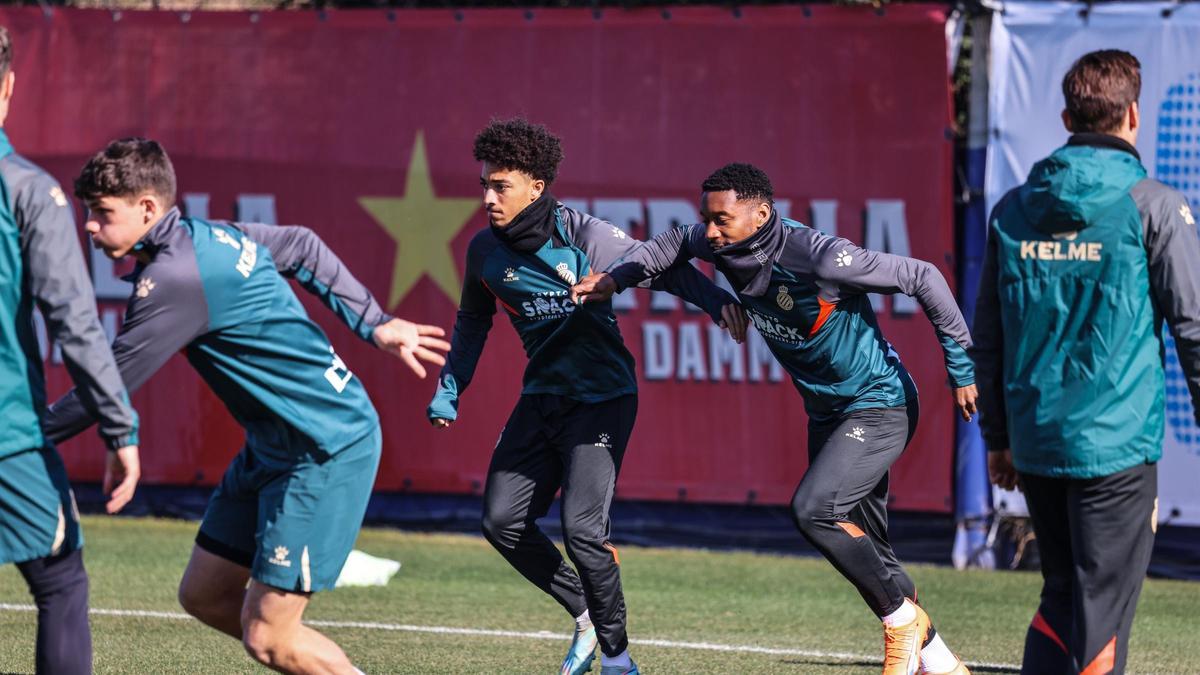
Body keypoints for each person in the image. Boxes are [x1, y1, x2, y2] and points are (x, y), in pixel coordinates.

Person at [43, 137, 449, 674]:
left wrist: (22, 437)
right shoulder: (207, 239)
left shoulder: (175, 278)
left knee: (270, 638)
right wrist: (373, 321)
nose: (90, 227)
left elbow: (105, 388)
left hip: (325, 448)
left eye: (101, 213)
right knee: (206, 594)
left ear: (147, 208)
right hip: (274, 448)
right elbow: (301, 245)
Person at [572, 162, 977, 675]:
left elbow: (924, 276)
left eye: (722, 220)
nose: (711, 232)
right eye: (707, 219)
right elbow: (670, 245)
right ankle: (941, 665)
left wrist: (962, 366)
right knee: (872, 553)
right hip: (828, 413)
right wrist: (617, 280)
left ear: (762, 214)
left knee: (814, 510)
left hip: (880, 404)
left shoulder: (820, 257)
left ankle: (901, 623)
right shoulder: (718, 242)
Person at [427, 118, 743, 675]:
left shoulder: (584, 235)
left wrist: (716, 304)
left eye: (500, 186)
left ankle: (618, 659)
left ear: (536, 187)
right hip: (543, 396)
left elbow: (662, 268)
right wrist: (449, 390)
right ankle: (584, 615)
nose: (487, 197)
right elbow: (472, 323)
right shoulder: (483, 251)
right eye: (484, 184)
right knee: (501, 522)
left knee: (582, 531)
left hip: (603, 399)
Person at [972, 49, 1200, 675]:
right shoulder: (1153, 204)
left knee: (1063, 594)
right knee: (1102, 607)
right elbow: (1195, 328)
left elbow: (986, 335)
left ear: (1067, 115)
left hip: (1037, 442)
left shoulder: (1013, 207)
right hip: (1114, 448)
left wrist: (999, 439)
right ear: (1132, 113)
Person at [0, 27, 142, 675]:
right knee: (60, 579)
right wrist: (118, 428)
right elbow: (75, 319)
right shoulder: (25, 189)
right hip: (6, 433)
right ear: (7, 90)